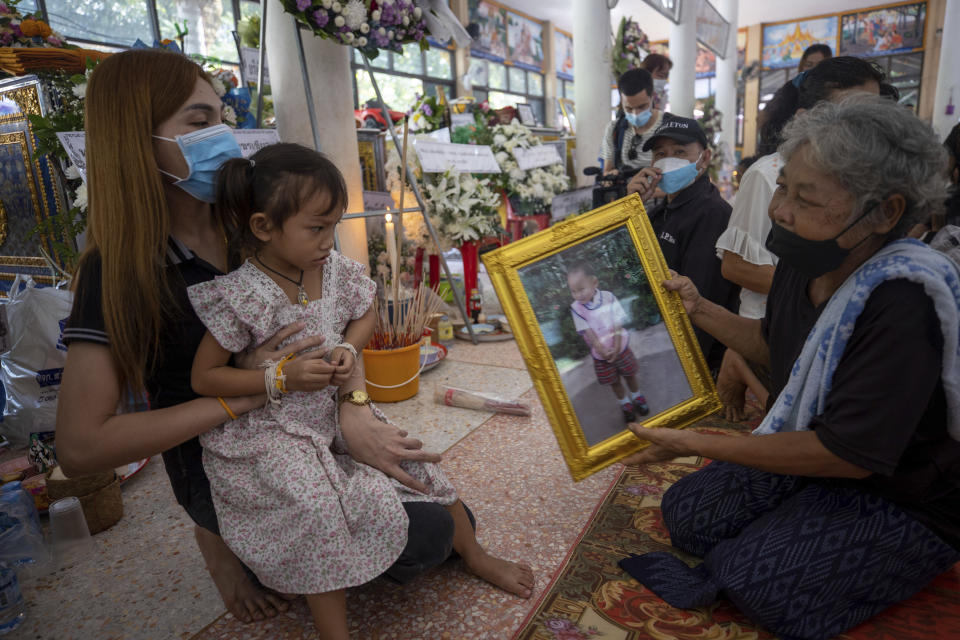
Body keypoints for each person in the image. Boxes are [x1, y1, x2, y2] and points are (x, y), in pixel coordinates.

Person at [54, 49, 454, 625]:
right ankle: (219, 544)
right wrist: (249, 392)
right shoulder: (117, 271)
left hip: (311, 420)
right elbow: (82, 446)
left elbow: (339, 320)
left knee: (434, 506)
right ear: (135, 140)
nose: (221, 136)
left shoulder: (262, 223)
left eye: (222, 117)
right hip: (227, 456)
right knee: (418, 539)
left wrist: (354, 406)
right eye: (197, 123)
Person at [620, 95, 960, 640]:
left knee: (756, 582)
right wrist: (700, 309)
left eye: (805, 198)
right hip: (818, 451)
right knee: (687, 513)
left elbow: (845, 455)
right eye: (783, 187)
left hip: (900, 489)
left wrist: (699, 443)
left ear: (886, 212)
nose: (779, 211)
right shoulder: (807, 258)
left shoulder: (904, 298)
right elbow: (773, 344)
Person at [188, 143, 533, 639]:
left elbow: (365, 312)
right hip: (273, 430)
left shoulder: (338, 272)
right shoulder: (241, 293)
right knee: (316, 509)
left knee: (416, 459)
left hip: (332, 409)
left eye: (334, 225)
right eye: (316, 227)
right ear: (263, 227)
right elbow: (205, 378)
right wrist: (277, 378)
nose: (329, 240)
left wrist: (350, 348)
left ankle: (476, 555)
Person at [715, 56, 885, 419]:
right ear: (807, 118)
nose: (869, 129)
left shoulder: (871, 186)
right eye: (852, 116)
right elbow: (735, 265)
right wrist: (821, 290)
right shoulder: (767, 175)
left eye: (876, 115)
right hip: (774, 328)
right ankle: (741, 362)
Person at [626, 116, 738, 373]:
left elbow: (700, 304)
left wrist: (684, 375)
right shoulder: (660, 210)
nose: (668, 160)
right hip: (659, 341)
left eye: (679, 151)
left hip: (690, 361)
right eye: (660, 154)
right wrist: (630, 207)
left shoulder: (711, 214)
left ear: (705, 158)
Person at [566, 260, 649, 423]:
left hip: (621, 346)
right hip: (600, 353)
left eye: (581, 289)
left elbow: (617, 321)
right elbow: (588, 332)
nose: (578, 294)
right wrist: (602, 350)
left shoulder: (608, 297)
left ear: (594, 282)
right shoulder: (576, 308)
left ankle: (637, 396)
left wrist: (617, 345)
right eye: (573, 291)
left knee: (629, 374)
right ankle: (625, 404)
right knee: (614, 381)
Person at [600, 68, 665, 176]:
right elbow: (606, 172)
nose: (636, 114)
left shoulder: (668, 125)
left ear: (651, 97)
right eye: (629, 108)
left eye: (642, 106)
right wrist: (611, 177)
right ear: (621, 101)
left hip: (660, 190)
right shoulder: (614, 129)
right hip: (629, 192)